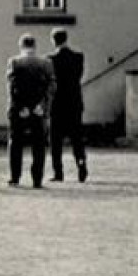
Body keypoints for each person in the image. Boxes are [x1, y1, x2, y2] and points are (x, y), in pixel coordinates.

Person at [6, 33, 54, 189]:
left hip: (20, 110)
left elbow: (13, 88)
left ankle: (15, 176)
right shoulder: (46, 63)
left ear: (21, 46)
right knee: (39, 145)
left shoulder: (14, 62)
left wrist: (21, 107)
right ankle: (37, 178)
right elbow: (51, 87)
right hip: (39, 110)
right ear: (34, 46)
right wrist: (43, 105)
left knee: (15, 143)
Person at [48, 27, 87, 183]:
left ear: (53, 40)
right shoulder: (78, 57)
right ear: (66, 39)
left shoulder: (50, 59)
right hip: (74, 102)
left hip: (57, 104)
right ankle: (81, 163)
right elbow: (79, 76)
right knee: (77, 138)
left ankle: (58, 172)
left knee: (55, 140)